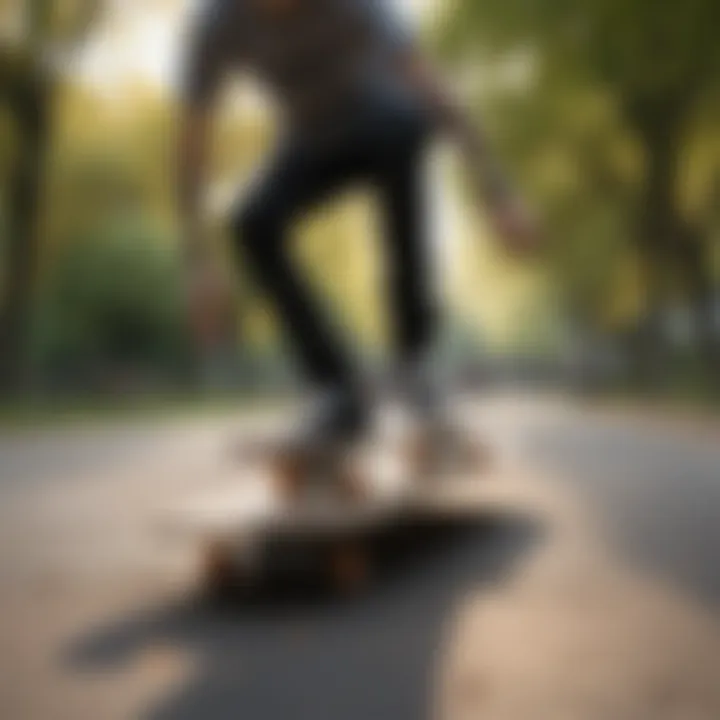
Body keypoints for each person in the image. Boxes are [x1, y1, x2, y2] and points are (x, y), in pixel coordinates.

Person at [177, 0, 537, 450]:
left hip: (376, 118)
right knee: (253, 224)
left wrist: (496, 191)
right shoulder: (218, 21)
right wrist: (198, 261)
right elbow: (193, 142)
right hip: (307, 143)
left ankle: (414, 358)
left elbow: (433, 89)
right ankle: (336, 389)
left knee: (407, 126)